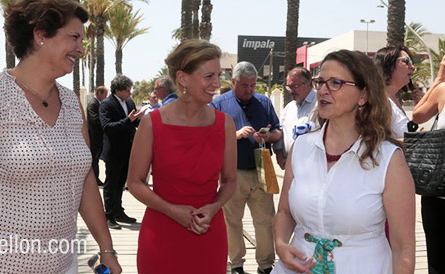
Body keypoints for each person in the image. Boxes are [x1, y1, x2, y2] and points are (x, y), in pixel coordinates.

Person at [0, 1, 122, 273]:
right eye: (74, 37)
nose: (81, 48)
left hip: (62, 265)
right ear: (40, 35)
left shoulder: (71, 103)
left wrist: (106, 248)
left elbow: (85, 180)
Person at [272, 50, 415, 274]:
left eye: (336, 83)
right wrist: (280, 244)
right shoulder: (301, 147)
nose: (323, 91)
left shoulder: (389, 159)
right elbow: (284, 212)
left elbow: (402, 248)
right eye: (320, 82)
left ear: (363, 96)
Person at [127, 39, 237, 274]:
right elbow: (134, 183)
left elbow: (230, 180)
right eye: (209, 76)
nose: (217, 84)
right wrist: (172, 211)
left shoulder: (224, 124)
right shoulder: (152, 124)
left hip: (208, 231)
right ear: (183, 78)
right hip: (162, 234)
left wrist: (215, 207)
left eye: (219, 75)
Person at [210, 61, 281, 274]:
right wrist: (235, 135)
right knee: (231, 220)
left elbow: (278, 132)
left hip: (262, 170)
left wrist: (269, 136)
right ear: (233, 82)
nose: (249, 89)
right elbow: (210, 137)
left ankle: (266, 265)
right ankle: (237, 264)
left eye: (252, 85)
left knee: (266, 220)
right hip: (233, 173)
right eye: (244, 85)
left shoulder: (265, 102)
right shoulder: (219, 104)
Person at [411, 55, 445, 274]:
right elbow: (417, 116)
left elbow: (417, 116)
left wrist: (441, 77)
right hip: (438, 196)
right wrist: (440, 78)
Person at [99, 74, 144, 230]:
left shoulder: (129, 102)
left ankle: (119, 211)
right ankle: (109, 215)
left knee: (121, 183)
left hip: (127, 150)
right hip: (113, 152)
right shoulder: (106, 104)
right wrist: (129, 120)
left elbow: (132, 122)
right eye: (127, 90)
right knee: (111, 184)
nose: (130, 93)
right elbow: (107, 127)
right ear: (117, 90)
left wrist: (139, 118)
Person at [274, 67, 317, 170]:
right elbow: (281, 133)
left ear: (308, 83)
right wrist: (280, 156)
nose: (291, 91)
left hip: (312, 168)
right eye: (289, 87)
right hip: (290, 168)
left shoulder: (320, 106)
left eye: (295, 86)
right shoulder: (289, 108)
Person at [374, 45, 416, 138]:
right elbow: (376, 142)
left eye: (412, 62)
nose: (412, 67)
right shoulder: (379, 102)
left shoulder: (392, 100)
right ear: (388, 65)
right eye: (406, 61)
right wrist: (411, 142)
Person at [87, 85, 108, 186]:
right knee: (94, 159)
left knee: (96, 159)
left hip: (99, 137)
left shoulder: (99, 104)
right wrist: (105, 122)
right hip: (93, 136)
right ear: (100, 93)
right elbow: (94, 119)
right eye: (105, 94)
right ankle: (94, 179)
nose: (106, 97)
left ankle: (96, 178)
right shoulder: (92, 104)